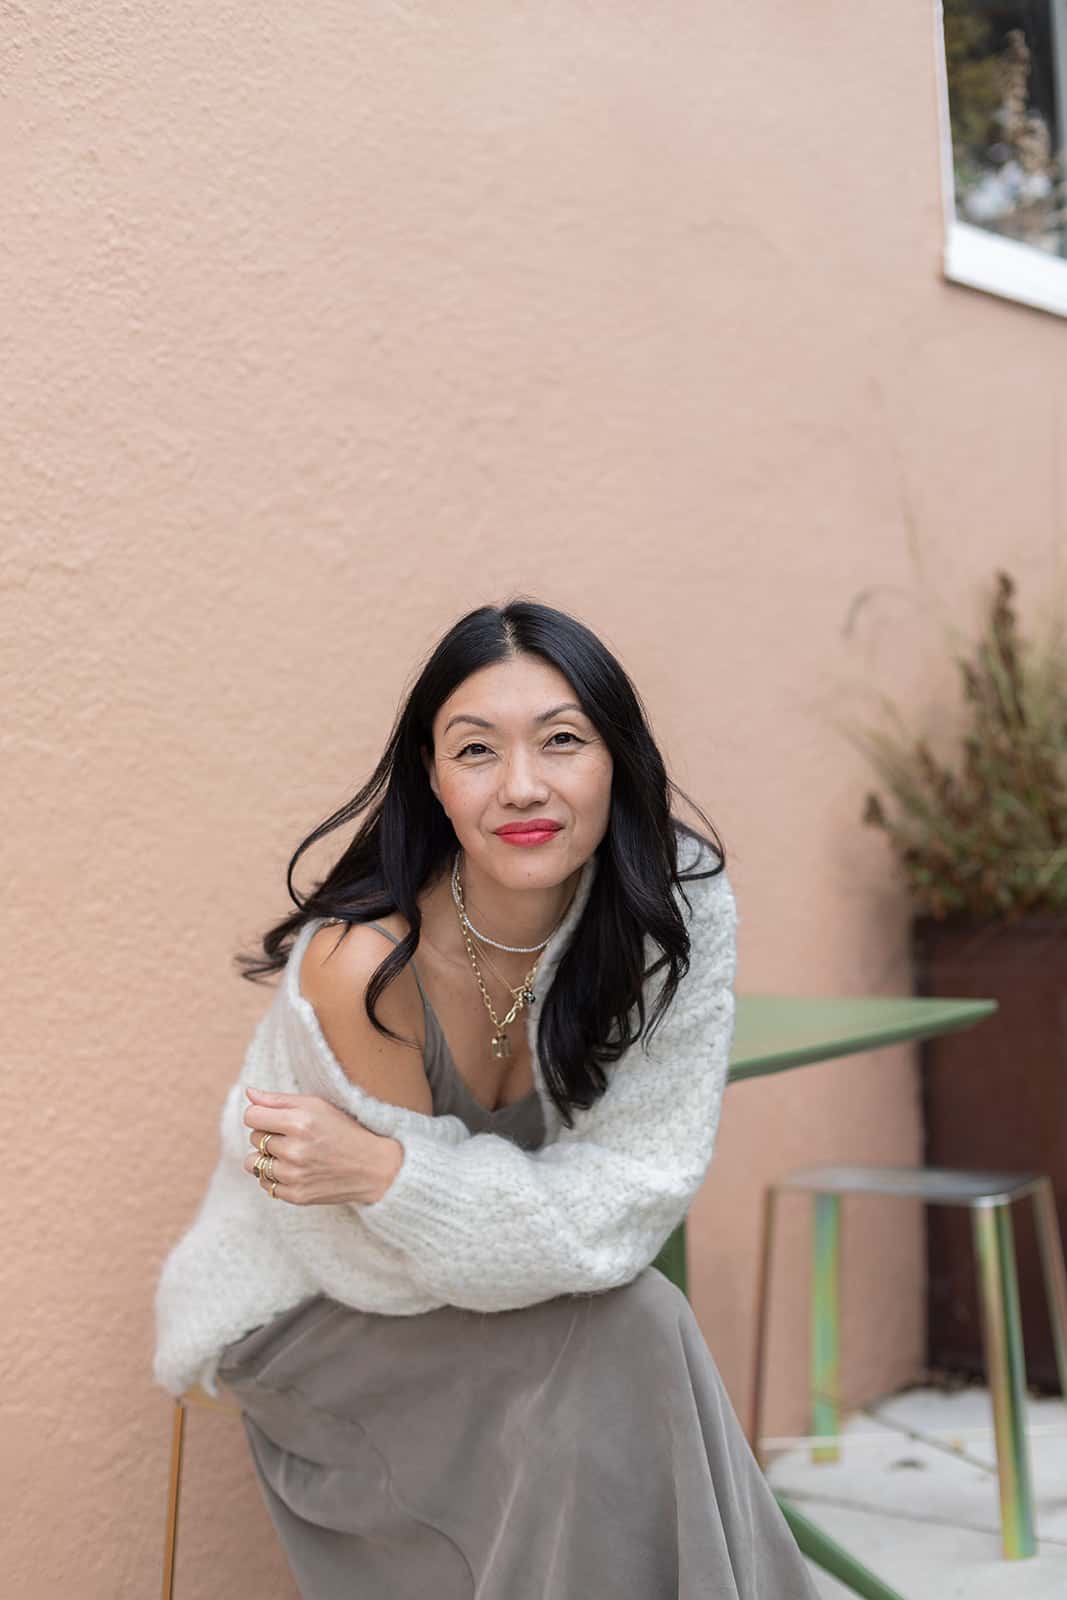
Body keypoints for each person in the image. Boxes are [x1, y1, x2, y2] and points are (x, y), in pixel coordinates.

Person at [153, 597, 820, 1599]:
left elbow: (635, 1193)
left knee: (628, 1334)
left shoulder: (669, 911)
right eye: (475, 750)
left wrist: (392, 1173)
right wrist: (446, 1208)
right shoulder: (363, 964)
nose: (521, 785)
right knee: (618, 1345)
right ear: (432, 777)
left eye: (561, 740)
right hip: (319, 1306)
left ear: (617, 756)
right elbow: (381, 1262)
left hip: (513, 1303)